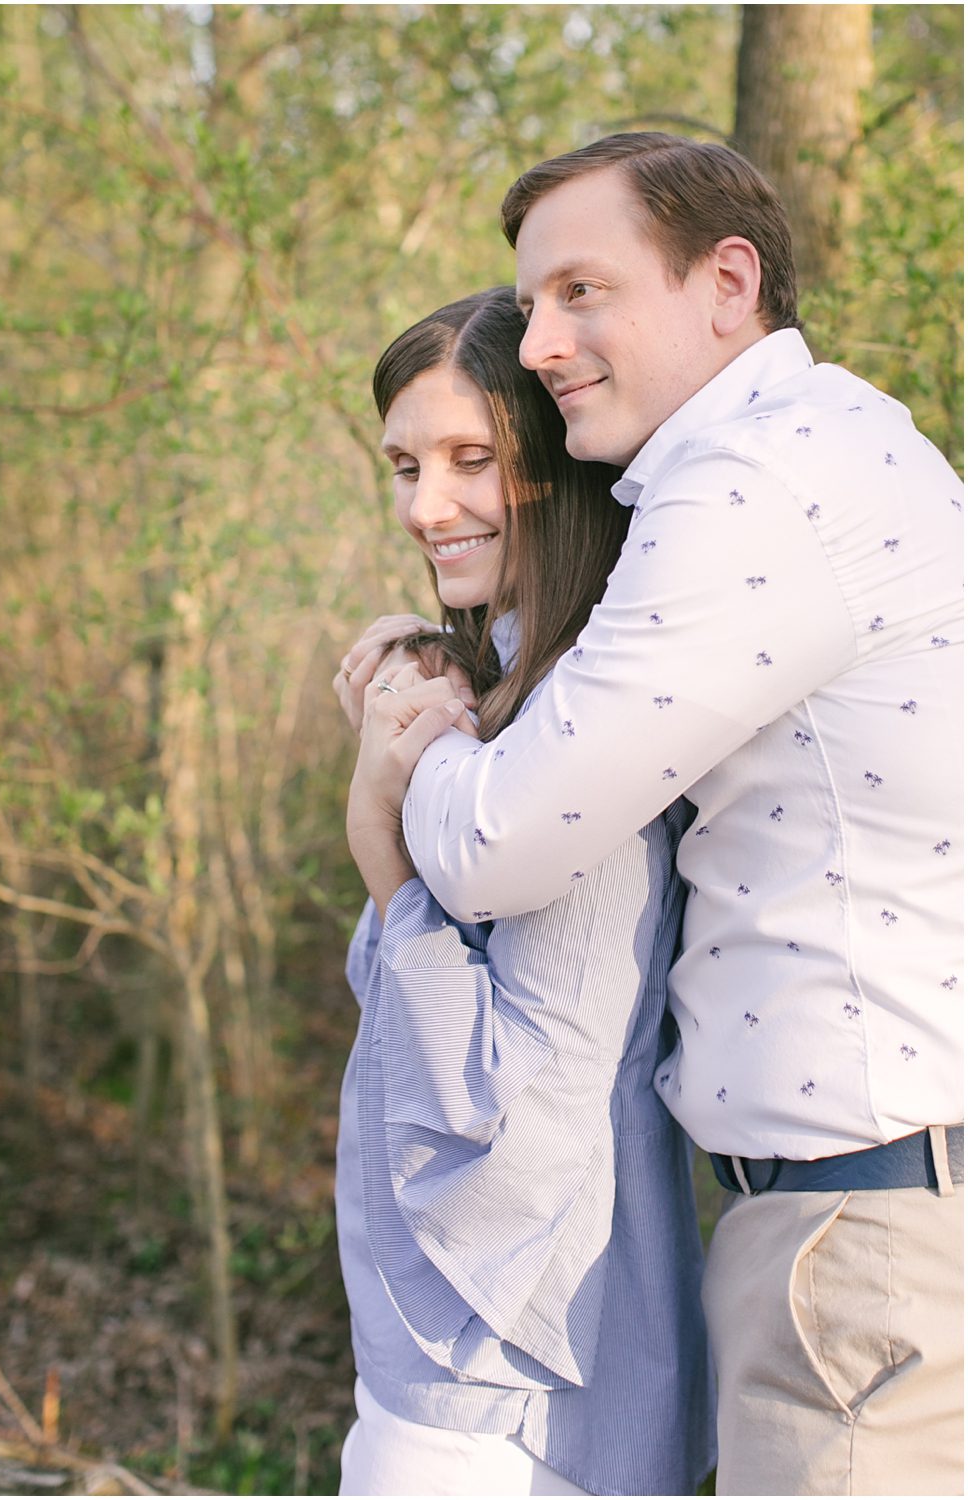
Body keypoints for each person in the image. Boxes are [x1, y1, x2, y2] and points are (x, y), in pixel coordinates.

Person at [350, 134, 963, 1494]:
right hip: (847, 1224)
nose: (543, 338)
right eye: (534, 301)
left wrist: (403, 738)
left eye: (581, 290)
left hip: (854, 1239)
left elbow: (498, 849)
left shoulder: (752, 484)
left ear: (725, 281)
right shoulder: (838, 439)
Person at [333, 288, 712, 1496]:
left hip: (502, 1380)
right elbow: (397, 1004)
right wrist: (434, 674)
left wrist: (378, 842)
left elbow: (502, 1099)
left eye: (468, 460)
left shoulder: (571, 746)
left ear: (554, 469)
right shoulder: (508, 701)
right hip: (451, 1361)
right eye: (404, 467)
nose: (421, 507)